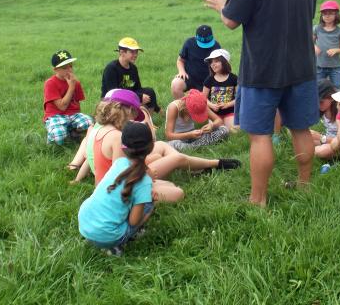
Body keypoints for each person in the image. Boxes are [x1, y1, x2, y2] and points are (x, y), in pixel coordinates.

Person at [203, 0, 319, 206]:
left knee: (260, 136)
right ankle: (305, 185)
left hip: (263, 71)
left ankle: (258, 199)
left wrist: (222, 6)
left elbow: (231, 20)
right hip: (302, 68)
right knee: (301, 129)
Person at [69, 89, 240, 185]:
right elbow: (120, 175)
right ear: (124, 110)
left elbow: (90, 158)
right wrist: (150, 172)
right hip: (122, 184)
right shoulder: (116, 136)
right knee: (175, 183)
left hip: (120, 172)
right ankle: (214, 164)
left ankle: (202, 166)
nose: (133, 118)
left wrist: (77, 178)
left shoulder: (96, 128)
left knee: (163, 148)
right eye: (134, 113)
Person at [78, 121, 161, 257]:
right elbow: (134, 221)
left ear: (123, 147)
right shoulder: (144, 182)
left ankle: (95, 237)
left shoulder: (118, 163)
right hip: (107, 236)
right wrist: (150, 201)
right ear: (151, 147)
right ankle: (115, 245)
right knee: (149, 204)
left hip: (84, 222)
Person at [43, 50, 93, 145]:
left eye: (71, 66)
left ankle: (73, 133)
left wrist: (78, 122)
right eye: (65, 68)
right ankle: (53, 132)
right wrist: (71, 87)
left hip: (73, 114)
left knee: (89, 123)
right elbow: (62, 107)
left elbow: (77, 104)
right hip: (56, 115)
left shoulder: (75, 82)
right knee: (59, 136)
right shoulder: (50, 83)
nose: (69, 70)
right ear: (56, 69)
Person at [101, 37, 160, 113]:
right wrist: (138, 97)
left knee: (149, 91)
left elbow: (137, 88)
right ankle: (134, 116)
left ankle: (148, 121)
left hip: (129, 97)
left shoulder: (133, 68)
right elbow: (114, 94)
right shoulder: (111, 68)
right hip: (112, 102)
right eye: (132, 52)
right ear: (122, 52)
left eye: (136, 52)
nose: (135, 55)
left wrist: (142, 97)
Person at [165, 89, 230, 151]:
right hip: (178, 138)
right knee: (173, 144)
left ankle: (191, 147)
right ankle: (195, 146)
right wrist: (189, 134)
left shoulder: (200, 104)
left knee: (224, 130)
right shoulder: (173, 107)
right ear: (186, 108)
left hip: (194, 136)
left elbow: (219, 120)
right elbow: (169, 136)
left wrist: (212, 125)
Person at [171, 25, 221, 99]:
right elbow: (180, 60)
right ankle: (185, 109)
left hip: (209, 79)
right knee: (176, 85)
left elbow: (221, 65)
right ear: (196, 37)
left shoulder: (216, 46)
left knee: (213, 101)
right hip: (190, 77)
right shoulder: (189, 43)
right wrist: (181, 71)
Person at [314, 0, 340, 88]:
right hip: (319, 66)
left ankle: (336, 102)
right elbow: (309, 42)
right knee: (318, 88)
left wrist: (336, 50)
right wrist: (314, 47)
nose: (327, 16)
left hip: (335, 67)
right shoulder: (317, 29)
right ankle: (320, 102)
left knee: (337, 88)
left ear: (336, 15)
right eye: (324, 13)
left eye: (330, 13)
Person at [202, 49, 238, 130]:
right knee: (214, 130)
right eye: (211, 62)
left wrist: (228, 104)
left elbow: (240, 97)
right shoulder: (209, 80)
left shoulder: (234, 78)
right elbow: (203, 98)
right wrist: (212, 105)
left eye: (216, 61)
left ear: (224, 62)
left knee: (233, 130)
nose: (213, 64)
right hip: (214, 114)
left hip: (229, 112)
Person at [311, 79, 339, 159]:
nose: (318, 105)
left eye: (321, 102)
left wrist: (321, 137)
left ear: (332, 97)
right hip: (328, 140)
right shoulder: (324, 109)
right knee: (304, 142)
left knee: (320, 151)